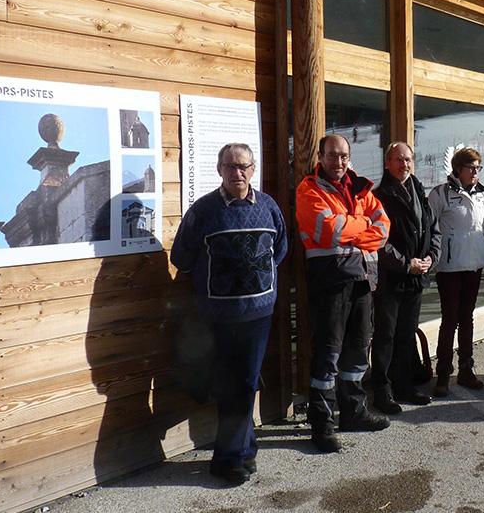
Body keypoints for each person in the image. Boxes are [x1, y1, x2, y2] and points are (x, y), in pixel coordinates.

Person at [170, 143, 288, 485]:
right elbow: (182, 258)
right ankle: (231, 456)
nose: (238, 172)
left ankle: (238, 453)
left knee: (247, 381)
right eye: (230, 166)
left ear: (253, 170)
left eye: (244, 167)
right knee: (229, 385)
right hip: (218, 316)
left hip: (259, 313)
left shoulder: (268, 206)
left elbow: (279, 250)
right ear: (219, 169)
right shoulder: (203, 211)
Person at [296, 134, 392, 453]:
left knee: (357, 348)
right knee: (328, 353)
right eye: (332, 155)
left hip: (363, 280)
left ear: (349, 158)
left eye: (343, 156)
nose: (338, 162)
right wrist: (359, 226)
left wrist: (353, 228)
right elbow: (327, 230)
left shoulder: (361, 188)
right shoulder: (309, 189)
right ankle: (322, 424)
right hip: (331, 282)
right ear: (320, 157)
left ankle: (353, 411)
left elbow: (382, 229)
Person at [371, 142, 441, 412]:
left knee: (405, 335)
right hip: (391, 278)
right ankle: (382, 391)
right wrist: (404, 264)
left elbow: (434, 231)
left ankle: (404, 386)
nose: (405, 165)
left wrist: (430, 259)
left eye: (409, 159)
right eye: (399, 160)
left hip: (416, 278)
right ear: (387, 163)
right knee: (385, 336)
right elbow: (378, 240)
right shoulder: (379, 196)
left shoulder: (420, 193)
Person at [427, 148, 484, 397]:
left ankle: (466, 369)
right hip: (449, 267)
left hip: (474, 265)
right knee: (449, 319)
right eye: (470, 167)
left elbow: (483, 226)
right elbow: (430, 225)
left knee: (467, 318)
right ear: (458, 168)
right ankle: (443, 372)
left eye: (478, 168)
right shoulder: (441, 193)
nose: (475, 172)